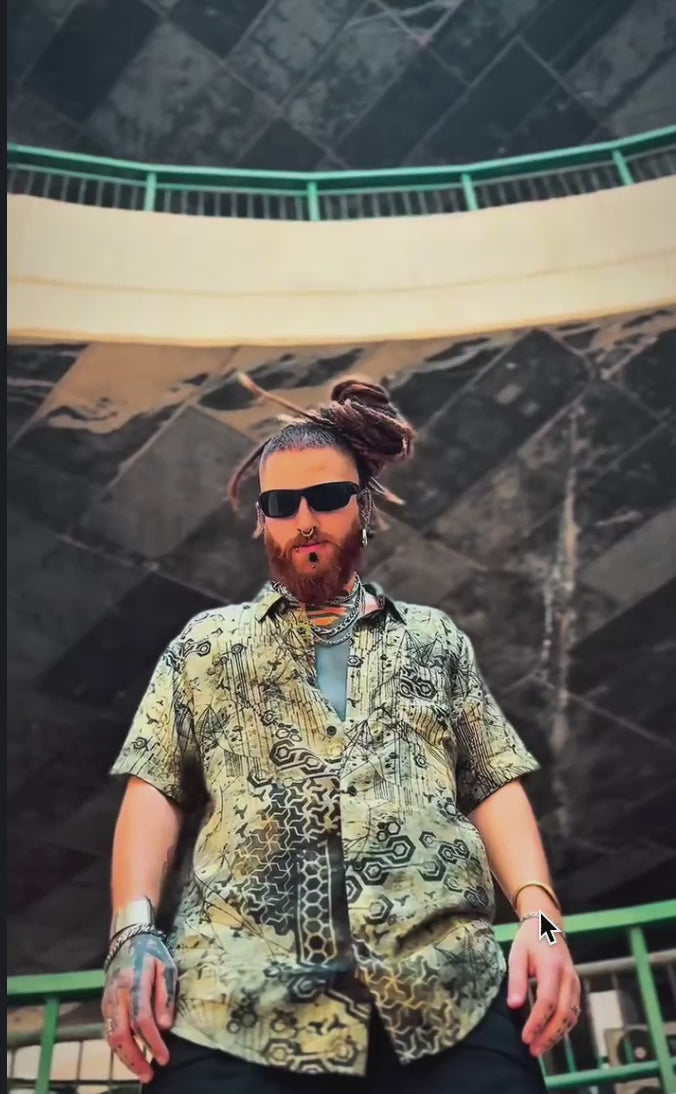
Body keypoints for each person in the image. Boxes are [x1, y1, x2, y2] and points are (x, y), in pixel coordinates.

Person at [102, 376, 580, 1093]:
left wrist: (544, 927)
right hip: (232, 1006)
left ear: (364, 506)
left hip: (448, 996)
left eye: (326, 497)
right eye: (281, 504)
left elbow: (492, 786)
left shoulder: (435, 640)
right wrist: (132, 933)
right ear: (262, 520)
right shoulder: (205, 645)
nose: (305, 519)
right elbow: (155, 787)